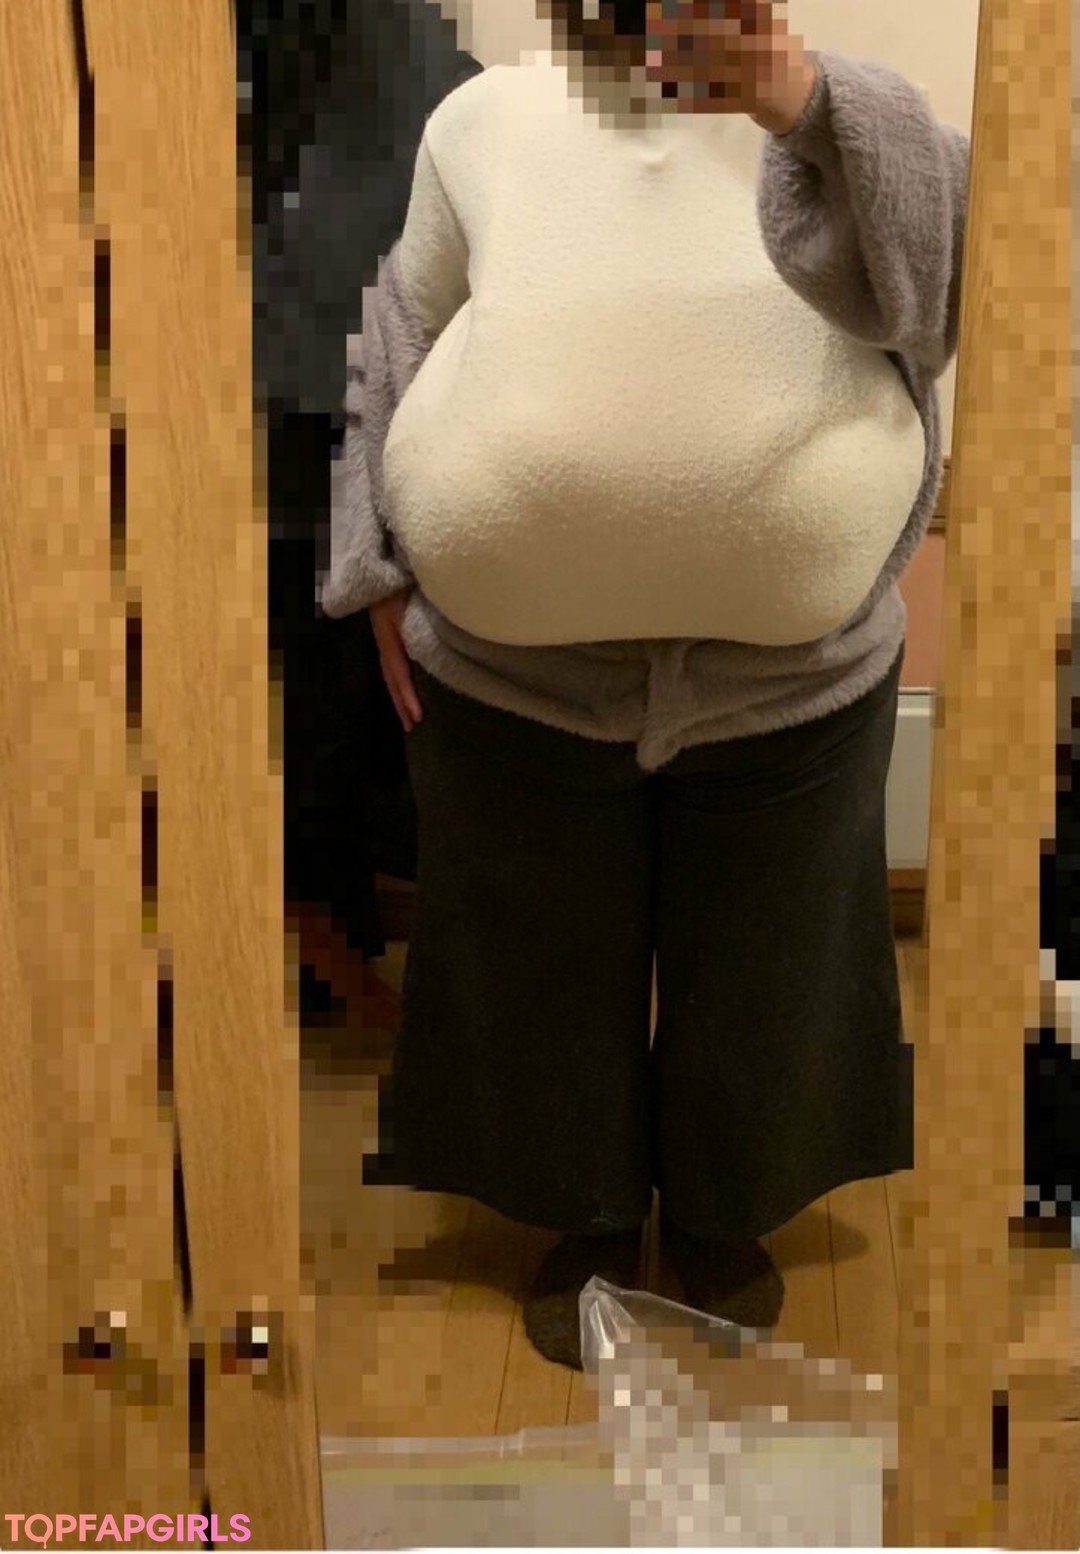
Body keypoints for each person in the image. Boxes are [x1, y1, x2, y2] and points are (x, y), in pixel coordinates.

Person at [322, 0, 971, 1368]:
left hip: (792, 680)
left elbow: (951, 298)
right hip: (514, 681)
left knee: (775, 962)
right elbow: (400, 330)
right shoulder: (480, 121)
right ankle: (588, 1213)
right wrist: (371, 558)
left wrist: (802, 101)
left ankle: (730, 1212)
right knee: (536, 963)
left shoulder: (841, 119)